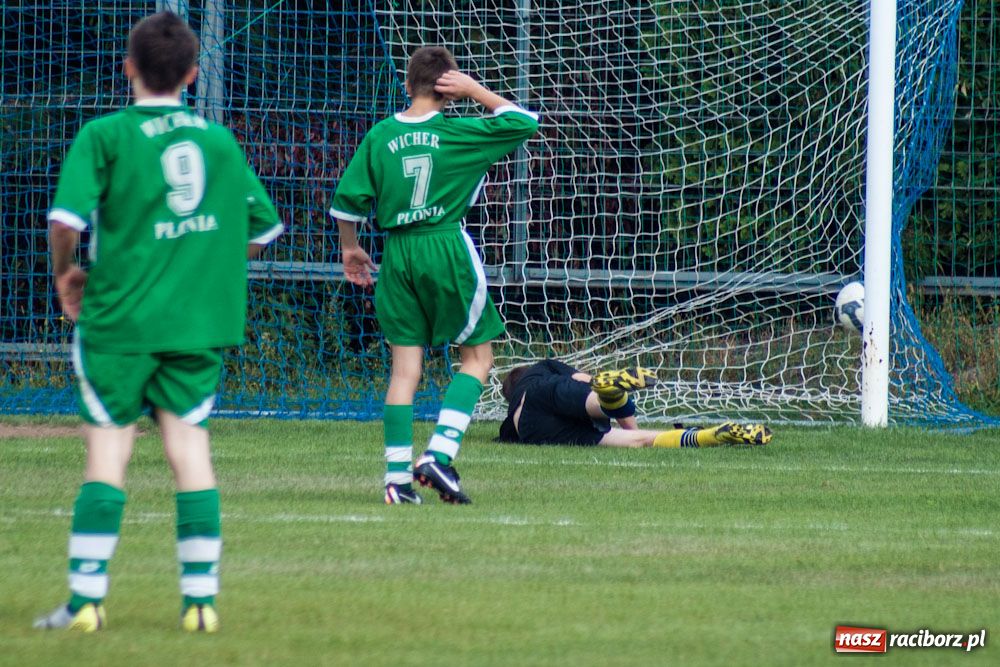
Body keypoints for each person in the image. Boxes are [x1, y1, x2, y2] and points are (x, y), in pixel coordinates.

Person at [34, 12, 282, 633]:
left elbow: (65, 221)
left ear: (129, 67)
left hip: (118, 322)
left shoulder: (106, 134)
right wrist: (200, 260)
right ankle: (200, 604)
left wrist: (67, 274)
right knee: (189, 448)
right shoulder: (219, 142)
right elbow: (265, 230)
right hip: (197, 325)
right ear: (194, 75)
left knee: (108, 451)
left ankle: (87, 600)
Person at [330, 47, 539, 505]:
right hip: (444, 246)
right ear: (449, 90)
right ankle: (439, 456)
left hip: (397, 253)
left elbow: (346, 203)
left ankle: (396, 480)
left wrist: (350, 248)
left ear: (407, 86)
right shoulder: (459, 132)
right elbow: (525, 122)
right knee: (477, 359)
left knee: (405, 371)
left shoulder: (381, 134)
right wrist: (476, 91)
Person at [499, 361, 773, 448]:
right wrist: (628, 420)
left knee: (638, 441)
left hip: (529, 428)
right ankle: (610, 395)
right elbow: (583, 379)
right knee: (594, 396)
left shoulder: (509, 418)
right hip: (541, 393)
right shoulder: (540, 370)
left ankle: (708, 436)